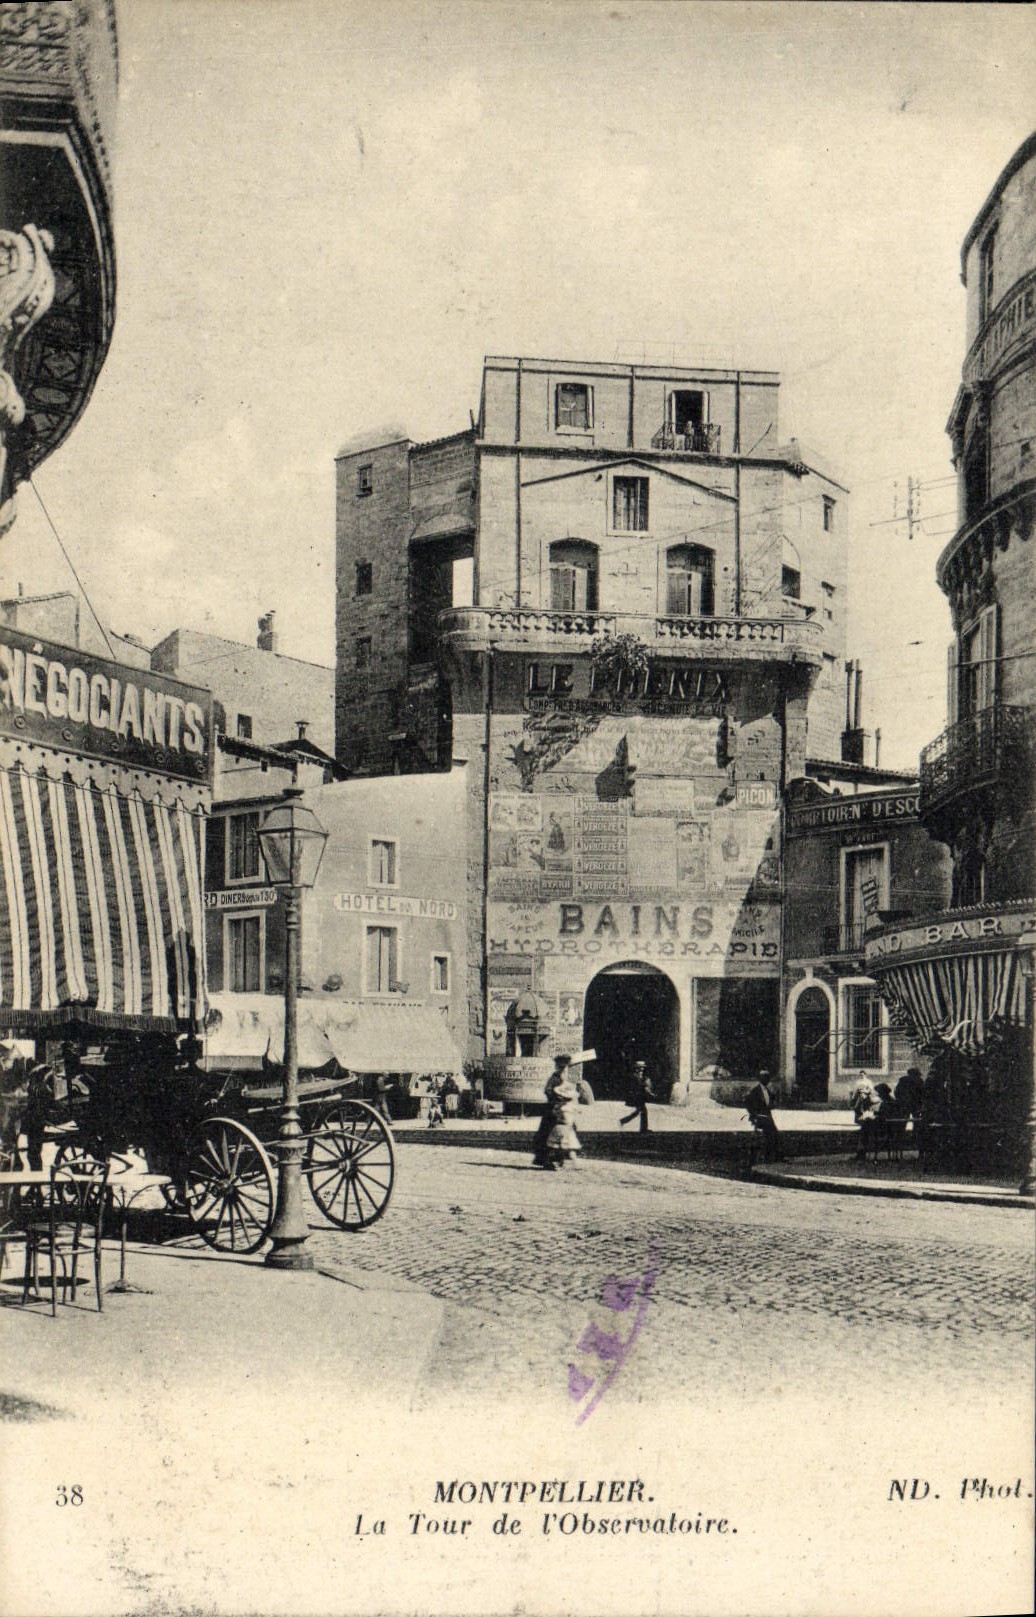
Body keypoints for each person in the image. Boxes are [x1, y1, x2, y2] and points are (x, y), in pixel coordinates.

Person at [532, 1054, 571, 1167]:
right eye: (561, 1067)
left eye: (565, 1067)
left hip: (564, 1110)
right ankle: (547, 1159)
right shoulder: (554, 1078)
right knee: (549, 1134)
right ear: (557, 1066)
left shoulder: (565, 1078)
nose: (563, 1069)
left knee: (564, 1134)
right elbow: (548, 1091)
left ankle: (560, 1158)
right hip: (553, 1110)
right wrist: (557, 1097)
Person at [744, 1070, 782, 1162]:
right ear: (760, 1079)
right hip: (760, 1117)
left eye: (768, 1078)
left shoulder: (768, 1090)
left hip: (767, 1116)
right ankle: (767, 1157)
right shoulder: (755, 1091)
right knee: (767, 1135)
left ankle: (773, 1156)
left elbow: (769, 1102)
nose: (767, 1080)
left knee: (774, 1135)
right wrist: (753, 1115)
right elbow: (748, 1102)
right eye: (765, 1078)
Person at [619, 1060, 653, 1134]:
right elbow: (637, 1085)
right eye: (641, 1067)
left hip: (640, 1096)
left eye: (643, 1067)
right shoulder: (635, 1076)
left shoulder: (639, 1075)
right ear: (637, 1068)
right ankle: (643, 1129)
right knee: (643, 1111)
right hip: (637, 1096)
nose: (642, 1069)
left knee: (640, 1112)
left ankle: (624, 1121)